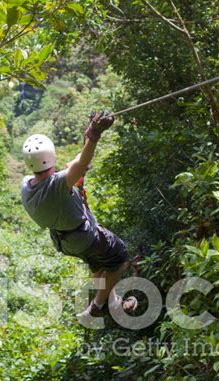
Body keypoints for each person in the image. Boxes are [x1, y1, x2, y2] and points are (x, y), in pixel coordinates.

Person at [20, 110, 137, 321]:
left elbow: (75, 167)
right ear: (52, 156)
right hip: (84, 236)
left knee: (98, 264)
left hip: (65, 241)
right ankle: (99, 306)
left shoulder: (27, 186)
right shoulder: (57, 185)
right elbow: (79, 165)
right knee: (119, 256)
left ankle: (112, 301)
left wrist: (84, 148)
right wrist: (94, 133)